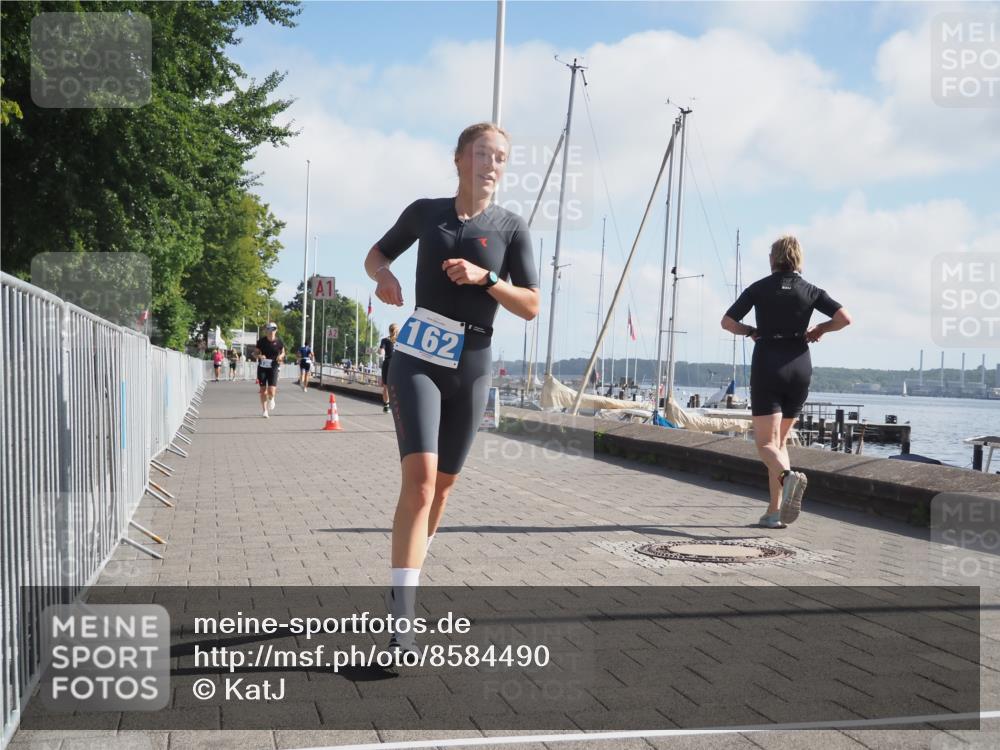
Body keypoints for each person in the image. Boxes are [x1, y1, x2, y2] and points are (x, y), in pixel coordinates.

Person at [365, 122, 539, 652]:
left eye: (502, 158)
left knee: (442, 488)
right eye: (483, 154)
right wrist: (384, 278)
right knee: (418, 482)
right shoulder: (426, 212)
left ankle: (410, 567)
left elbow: (530, 305)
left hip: (474, 363)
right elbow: (376, 255)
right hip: (418, 355)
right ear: (460, 159)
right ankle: (403, 618)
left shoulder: (511, 227)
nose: (492, 164)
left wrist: (486, 279)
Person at [721, 235, 852, 528]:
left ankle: (789, 477)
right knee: (779, 442)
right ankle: (774, 512)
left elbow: (727, 322)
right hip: (799, 365)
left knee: (765, 443)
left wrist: (750, 331)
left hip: (769, 361)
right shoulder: (811, 290)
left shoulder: (758, 289)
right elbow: (844, 318)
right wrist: (821, 328)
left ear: (773, 259)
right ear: (798, 259)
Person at [255, 323, 286, 418]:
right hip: (262, 367)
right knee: (263, 389)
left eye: (273, 329)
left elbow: (283, 352)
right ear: (266, 331)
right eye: (269, 329)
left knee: (271, 391)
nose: (271, 331)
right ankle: (265, 411)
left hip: (273, 367)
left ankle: (272, 399)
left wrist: (280, 356)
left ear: (276, 331)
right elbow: (254, 353)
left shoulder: (279, 342)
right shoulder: (261, 341)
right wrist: (260, 356)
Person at [379, 323, 398, 412]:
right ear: (397, 331)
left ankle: (386, 405)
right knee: (396, 386)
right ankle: (395, 405)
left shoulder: (385, 340)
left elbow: (382, 350)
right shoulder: (400, 340)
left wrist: (381, 352)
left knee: (386, 386)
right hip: (396, 364)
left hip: (387, 363)